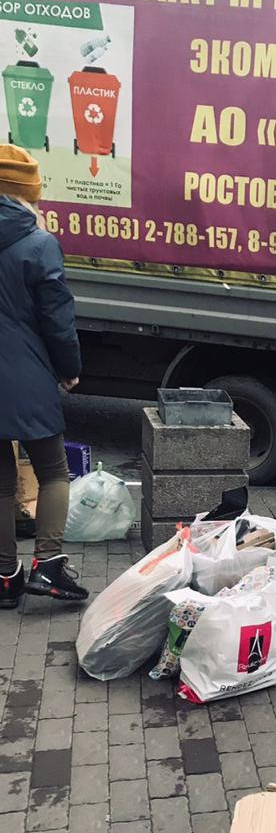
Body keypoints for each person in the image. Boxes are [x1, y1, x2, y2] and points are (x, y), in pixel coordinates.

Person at [0, 145, 88, 607]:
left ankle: (4, 576)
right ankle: (48, 565)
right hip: (26, 372)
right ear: (25, 195)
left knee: (0, 482)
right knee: (53, 471)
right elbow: (57, 318)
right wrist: (69, 368)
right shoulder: (38, 243)